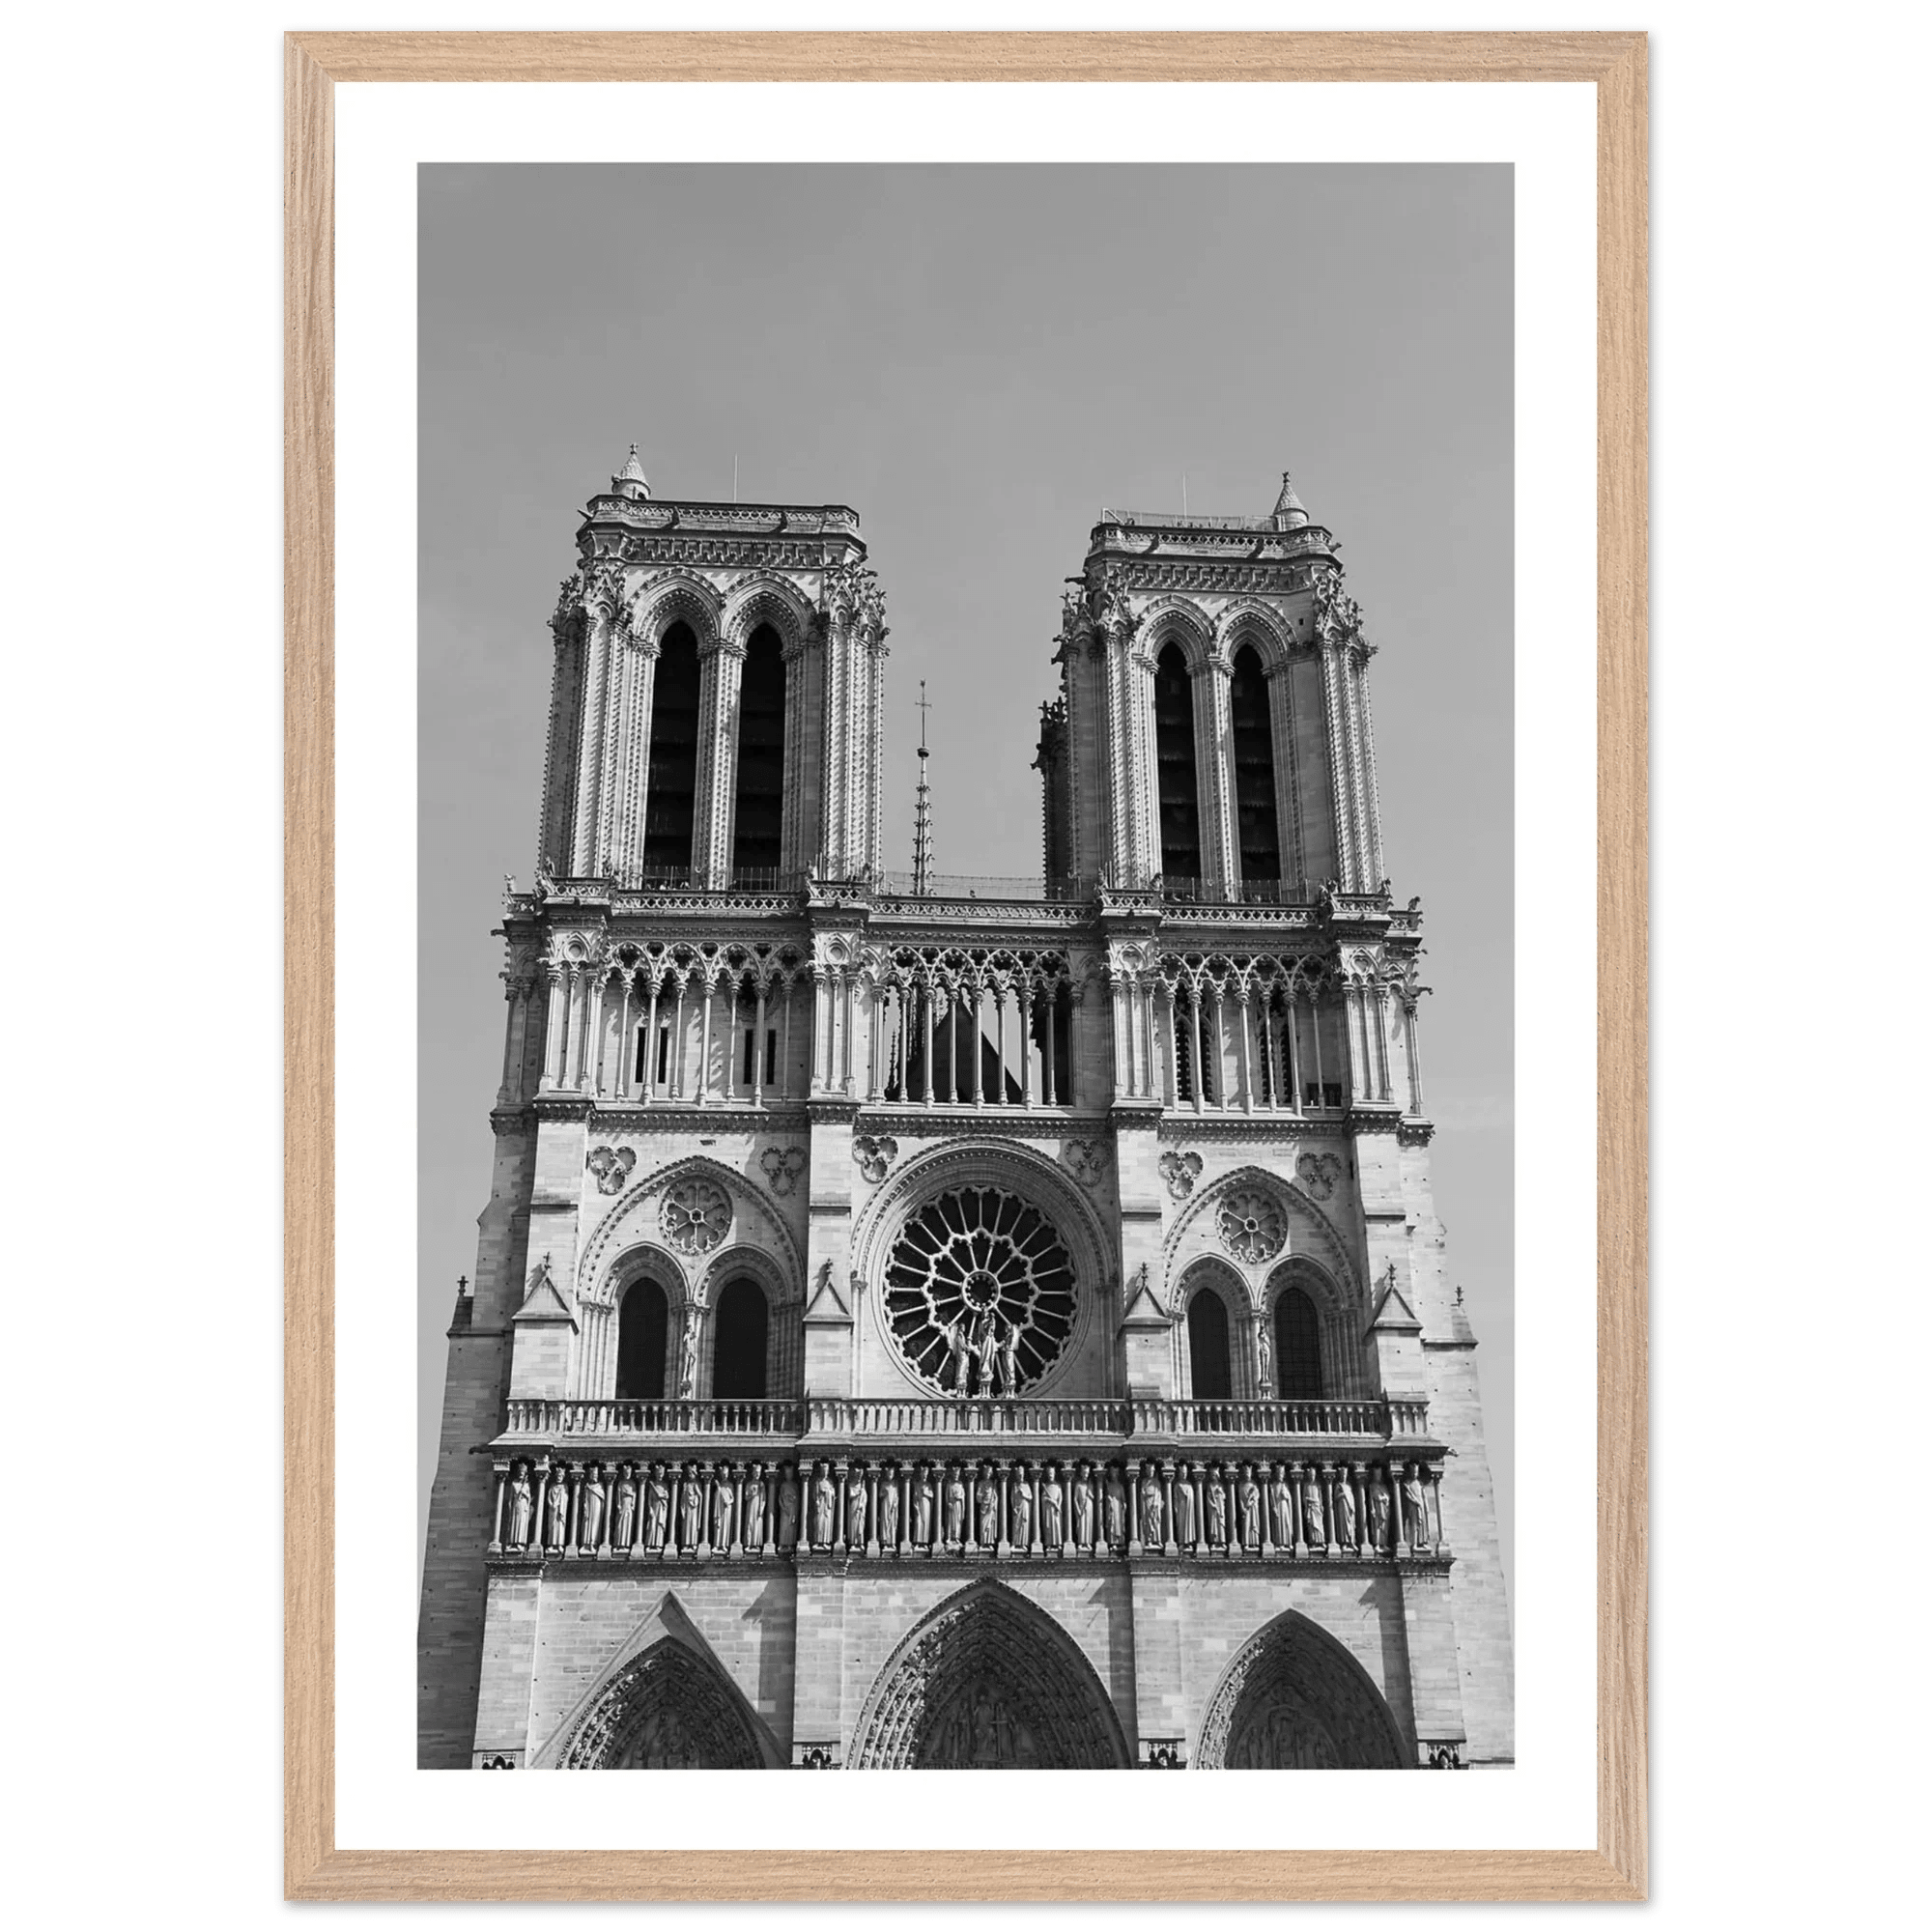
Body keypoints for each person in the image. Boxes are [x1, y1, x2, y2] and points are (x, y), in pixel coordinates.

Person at [506, 1463, 533, 1548]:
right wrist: (510, 1508)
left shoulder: (527, 1485)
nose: (521, 1474)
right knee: (514, 1522)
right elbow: (511, 1497)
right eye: (520, 1472)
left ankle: (520, 1542)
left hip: (523, 1505)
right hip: (516, 1505)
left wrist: (524, 1493)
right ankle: (512, 1542)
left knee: (522, 1523)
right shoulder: (514, 1483)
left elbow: (529, 1497)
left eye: (523, 1472)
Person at [645, 1463, 670, 1549]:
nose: (660, 1476)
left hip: (661, 1507)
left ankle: (658, 1544)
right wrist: (650, 1509)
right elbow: (649, 1499)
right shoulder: (653, 1485)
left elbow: (666, 1496)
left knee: (659, 1526)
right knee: (652, 1525)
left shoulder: (664, 1485)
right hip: (654, 1506)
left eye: (661, 1474)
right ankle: (649, 1544)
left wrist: (661, 1496)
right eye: (658, 1474)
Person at [811, 1463, 837, 1547]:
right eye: (823, 1470)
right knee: (819, 1522)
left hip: (827, 1506)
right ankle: (817, 1541)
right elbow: (814, 1493)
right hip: (820, 1505)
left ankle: (825, 1542)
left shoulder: (830, 1482)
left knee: (826, 1522)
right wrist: (816, 1500)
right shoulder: (818, 1481)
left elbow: (833, 1493)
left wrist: (828, 1492)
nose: (825, 1472)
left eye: (826, 1470)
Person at [1040, 1463, 1064, 1548]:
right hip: (1048, 1509)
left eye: (1052, 1474)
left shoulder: (1058, 1486)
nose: (1050, 1476)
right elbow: (1043, 1498)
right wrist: (1051, 1501)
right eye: (1049, 1474)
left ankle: (1058, 1543)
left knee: (1057, 1524)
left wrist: (1058, 1505)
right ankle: (1049, 1543)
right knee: (1048, 1525)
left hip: (1056, 1510)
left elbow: (1060, 1497)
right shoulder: (1046, 1486)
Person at [1071, 1463, 1094, 1548]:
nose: (1086, 1475)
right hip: (1081, 1506)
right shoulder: (1078, 1484)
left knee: (1088, 1524)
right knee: (1081, 1524)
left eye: (1087, 1473)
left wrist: (1089, 1494)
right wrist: (1077, 1509)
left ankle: (1088, 1542)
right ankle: (1081, 1542)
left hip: (1088, 1505)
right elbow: (1075, 1498)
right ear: (1081, 1473)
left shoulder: (1090, 1484)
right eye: (1084, 1473)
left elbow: (1093, 1497)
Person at [877, 1465, 900, 1548]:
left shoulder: (895, 1484)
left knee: (892, 1523)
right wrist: (885, 1493)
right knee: (885, 1523)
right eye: (889, 1474)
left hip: (893, 1507)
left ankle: (892, 1542)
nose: (890, 1475)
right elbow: (880, 1494)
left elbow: (897, 1495)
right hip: (885, 1505)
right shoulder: (884, 1484)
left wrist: (895, 1504)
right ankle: (885, 1542)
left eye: (891, 1474)